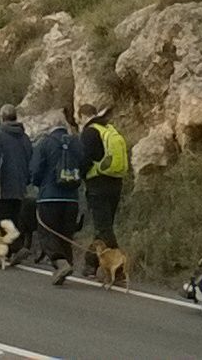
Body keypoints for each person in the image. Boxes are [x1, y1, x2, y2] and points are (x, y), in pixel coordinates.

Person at [30, 115, 85, 285]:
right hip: (72, 199)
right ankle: (66, 265)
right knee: (65, 234)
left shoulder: (45, 143)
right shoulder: (77, 143)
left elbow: (36, 170)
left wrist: (38, 184)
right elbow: (84, 165)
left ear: (50, 127)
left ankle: (60, 263)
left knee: (47, 233)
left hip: (49, 197)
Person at [79, 103, 127, 276]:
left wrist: (80, 176)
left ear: (82, 116)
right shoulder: (109, 129)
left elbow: (85, 159)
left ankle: (119, 267)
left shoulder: (89, 131)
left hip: (97, 185)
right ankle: (90, 264)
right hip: (115, 183)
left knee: (104, 228)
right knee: (103, 227)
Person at [0, 103, 33, 259]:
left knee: (2, 218)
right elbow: (30, 158)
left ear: (2, 118)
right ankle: (12, 251)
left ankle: (16, 247)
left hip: (3, 184)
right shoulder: (25, 137)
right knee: (15, 217)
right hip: (21, 184)